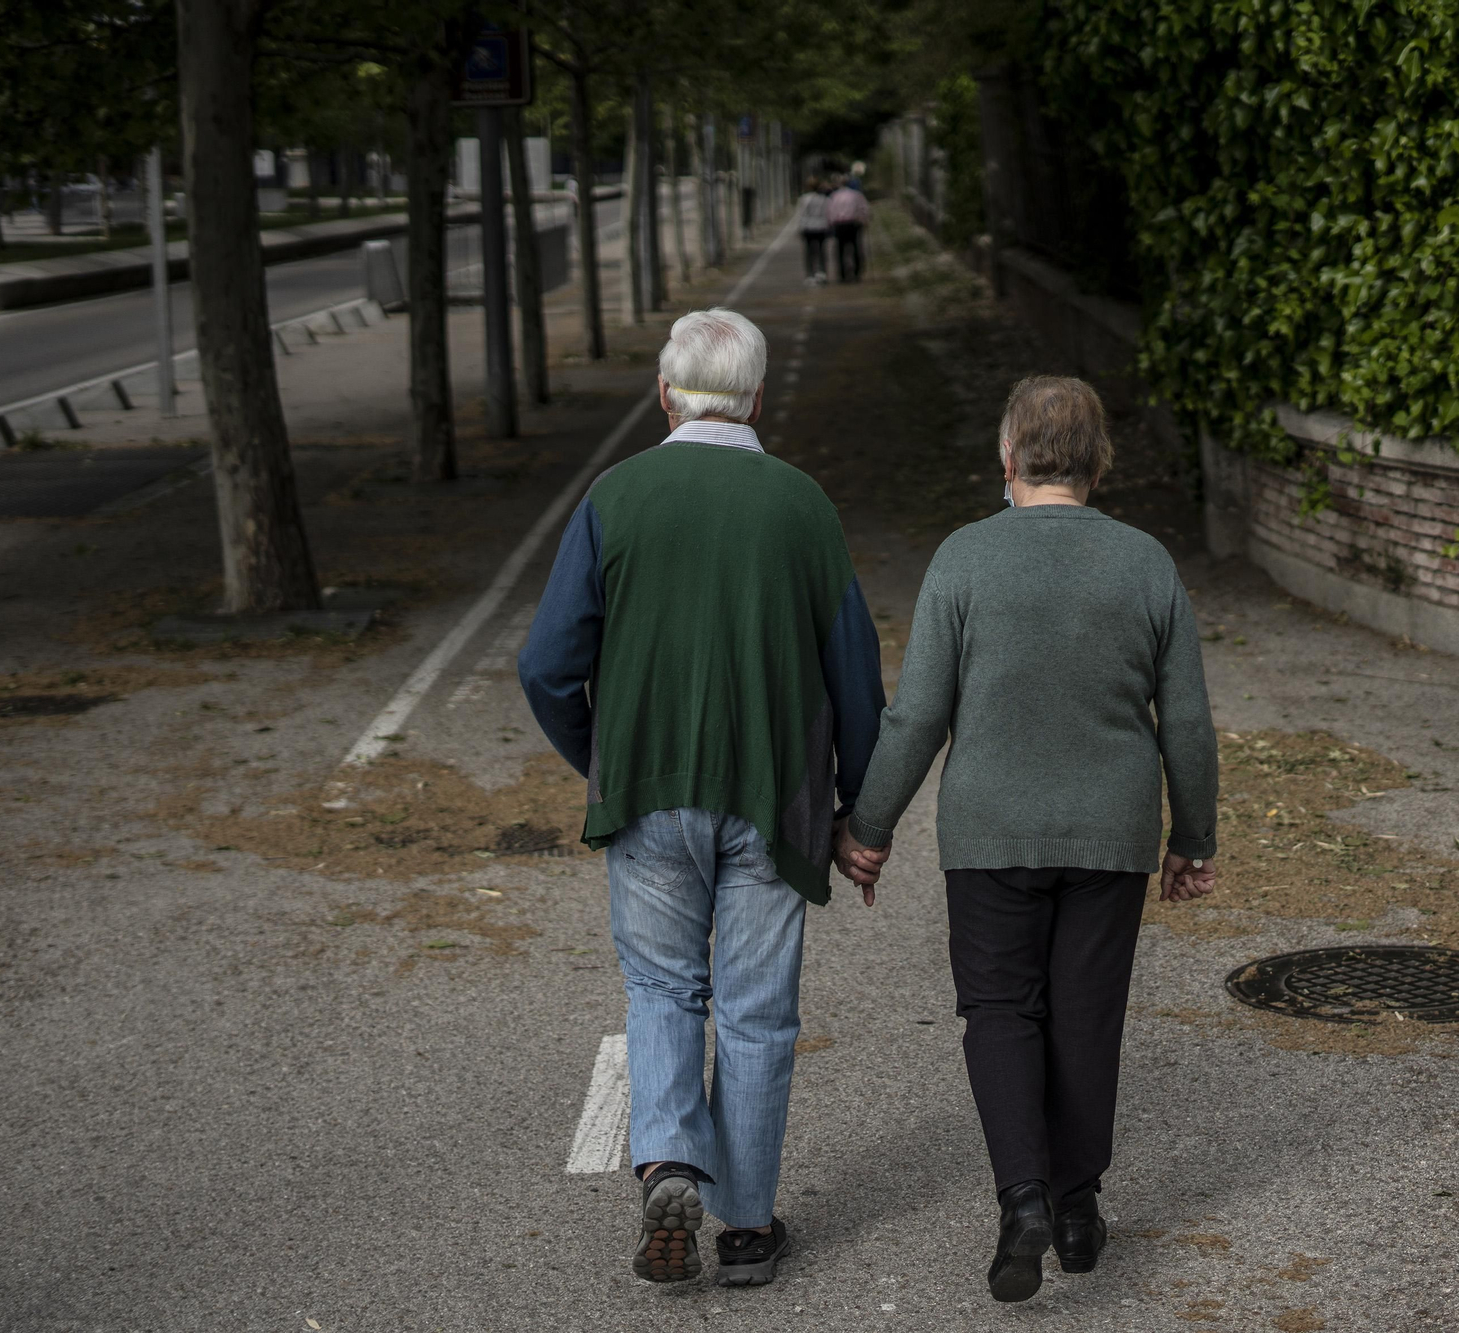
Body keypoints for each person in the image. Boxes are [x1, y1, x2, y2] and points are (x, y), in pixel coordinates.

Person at [518, 308, 886, 1288]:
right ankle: (747, 1228)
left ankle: (670, 1159)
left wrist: (599, 755)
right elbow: (856, 678)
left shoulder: (617, 495)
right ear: (757, 397)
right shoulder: (801, 504)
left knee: (662, 987)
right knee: (758, 1014)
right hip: (773, 793)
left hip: (647, 791)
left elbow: (547, 664)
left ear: (665, 394)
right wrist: (856, 811)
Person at [837, 375, 1218, 1303]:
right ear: (1097, 462)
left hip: (990, 831)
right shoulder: (1145, 562)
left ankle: (1023, 1203)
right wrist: (1193, 837)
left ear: (1008, 460)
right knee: (1089, 1013)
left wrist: (869, 828)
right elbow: (1191, 722)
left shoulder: (964, 558)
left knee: (1001, 1009)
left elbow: (919, 712)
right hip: (1111, 831)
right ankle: (1081, 1204)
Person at [825, 176, 870, 283]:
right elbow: (863, 208)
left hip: (840, 224)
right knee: (855, 247)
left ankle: (842, 274)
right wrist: (864, 219)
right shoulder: (856, 195)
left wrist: (831, 223)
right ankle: (857, 272)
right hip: (853, 223)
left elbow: (830, 211)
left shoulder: (835, 196)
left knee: (840, 250)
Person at [795, 175, 832, 285]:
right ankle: (822, 272)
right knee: (821, 250)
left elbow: (801, 214)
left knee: (809, 252)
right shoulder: (825, 199)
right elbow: (828, 213)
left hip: (808, 227)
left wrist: (800, 228)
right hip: (821, 226)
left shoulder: (803, 199)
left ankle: (810, 274)